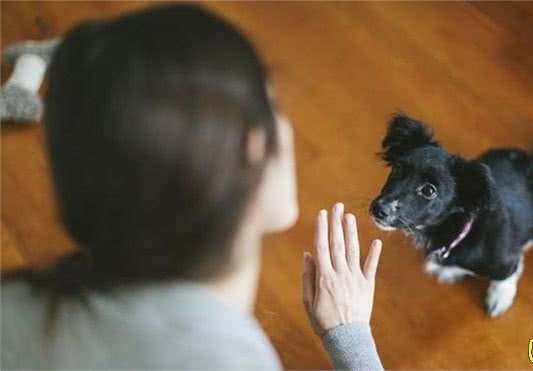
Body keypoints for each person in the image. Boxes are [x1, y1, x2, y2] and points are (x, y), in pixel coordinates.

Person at [0, 4, 384, 370]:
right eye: (272, 105)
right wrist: (352, 343)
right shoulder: (226, 360)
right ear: (252, 149)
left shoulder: (12, 305)